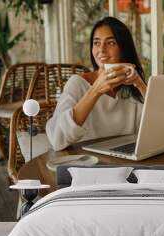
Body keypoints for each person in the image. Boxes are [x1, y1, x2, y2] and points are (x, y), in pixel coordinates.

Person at [46, 17, 147, 151]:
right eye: (96, 43)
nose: (101, 50)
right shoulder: (77, 84)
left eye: (110, 43)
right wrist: (95, 91)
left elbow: (157, 129)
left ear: (124, 48)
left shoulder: (131, 87)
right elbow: (56, 139)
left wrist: (141, 85)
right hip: (85, 163)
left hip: (124, 162)